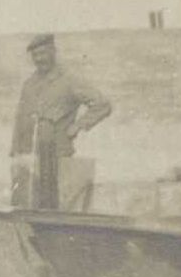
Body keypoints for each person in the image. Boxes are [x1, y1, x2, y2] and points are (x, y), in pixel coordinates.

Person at [10, 34, 113, 211]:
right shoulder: (29, 84)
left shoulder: (69, 80)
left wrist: (78, 126)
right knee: (27, 206)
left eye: (43, 53)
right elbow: (21, 118)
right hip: (30, 156)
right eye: (35, 55)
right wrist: (15, 152)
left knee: (58, 206)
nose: (39, 59)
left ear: (53, 52)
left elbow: (102, 104)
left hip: (57, 154)